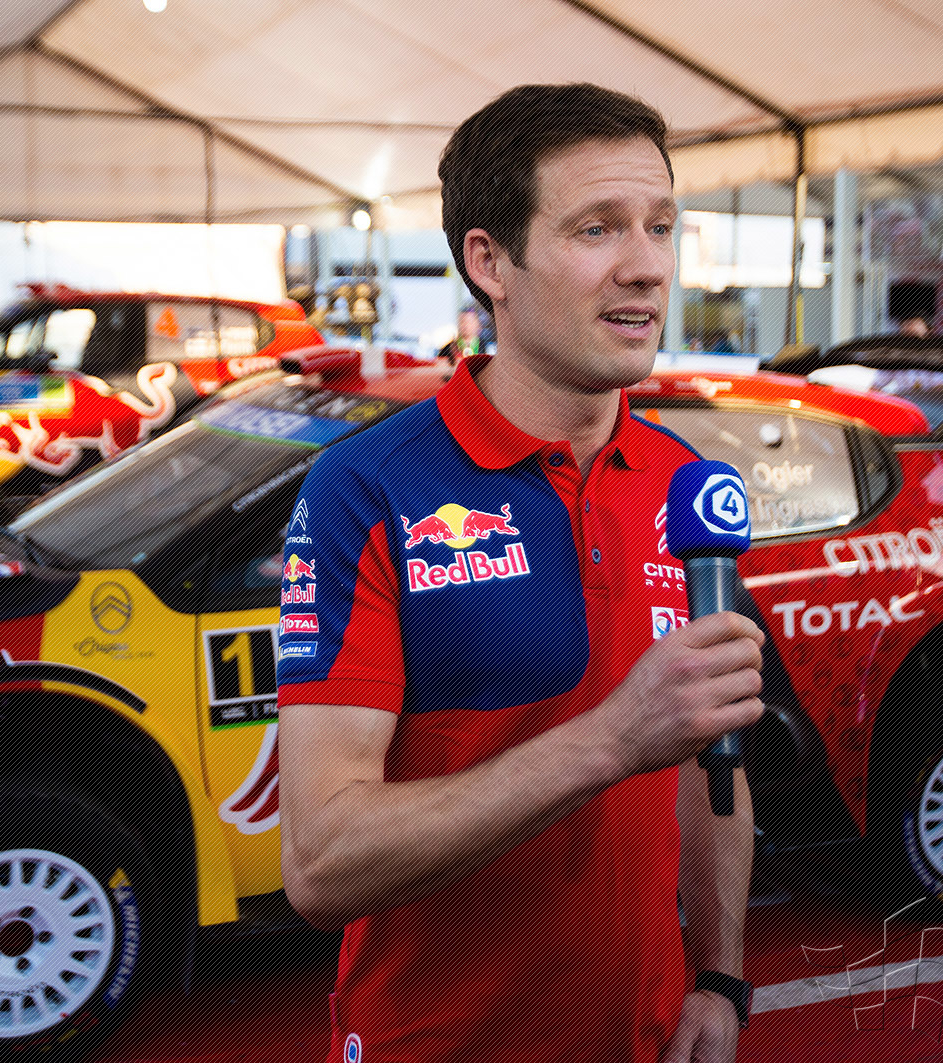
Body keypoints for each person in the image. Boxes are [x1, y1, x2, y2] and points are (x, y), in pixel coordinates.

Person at [276, 83, 764, 1063]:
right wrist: (610, 738)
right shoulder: (364, 489)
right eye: (596, 228)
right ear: (488, 261)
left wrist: (718, 975)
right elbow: (321, 864)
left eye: (659, 226)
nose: (645, 265)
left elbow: (709, 765)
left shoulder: (684, 482)